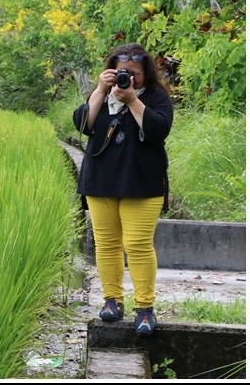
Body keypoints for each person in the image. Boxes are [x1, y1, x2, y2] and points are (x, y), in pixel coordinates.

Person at [73, 43, 174, 336]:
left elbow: (157, 130)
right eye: (121, 72)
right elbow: (83, 124)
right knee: (106, 244)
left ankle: (144, 308)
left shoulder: (156, 97)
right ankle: (111, 301)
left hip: (142, 183)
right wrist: (99, 92)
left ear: (146, 73)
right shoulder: (102, 95)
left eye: (134, 73)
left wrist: (132, 100)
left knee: (138, 245)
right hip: (101, 180)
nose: (127, 77)